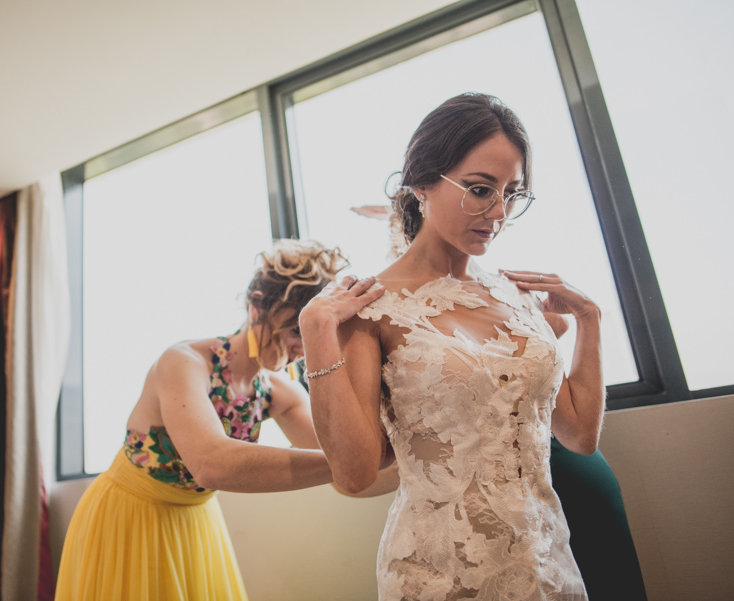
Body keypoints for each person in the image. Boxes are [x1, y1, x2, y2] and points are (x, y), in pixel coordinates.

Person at [300, 92, 605, 600]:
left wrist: (590, 321)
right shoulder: (370, 308)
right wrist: (316, 333)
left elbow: (578, 436)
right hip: (439, 573)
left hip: (546, 560)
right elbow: (355, 474)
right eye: (481, 189)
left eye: (512, 193)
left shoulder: (519, 299)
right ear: (421, 182)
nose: (498, 212)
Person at [55, 240, 346, 601]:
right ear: (257, 305)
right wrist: (346, 462)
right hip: (129, 518)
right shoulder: (184, 362)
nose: (304, 348)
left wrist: (410, 458)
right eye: (295, 331)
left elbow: (351, 476)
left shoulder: (278, 392)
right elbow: (212, 463)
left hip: (196, 525)